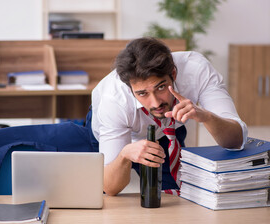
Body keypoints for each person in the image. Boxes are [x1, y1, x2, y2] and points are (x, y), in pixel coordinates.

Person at [88, 37, 248, 196]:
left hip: (166, 133)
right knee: (100, 190)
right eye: (142, 93)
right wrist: (123, 155)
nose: (156, 103)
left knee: (183, 195)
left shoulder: (197, 70)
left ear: (173, 73)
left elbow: (237, 140)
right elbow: (111, 188)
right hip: (113, 132)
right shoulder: (114, 100)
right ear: (130, 89)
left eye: (161, 87)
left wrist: (207, 116)